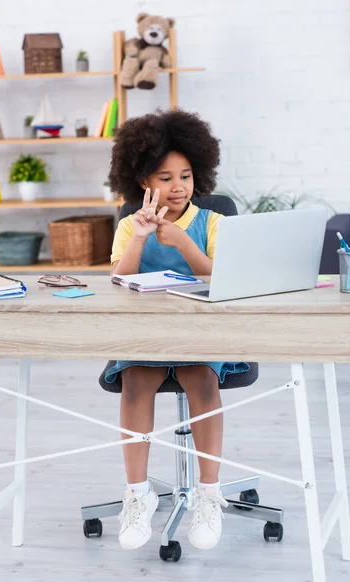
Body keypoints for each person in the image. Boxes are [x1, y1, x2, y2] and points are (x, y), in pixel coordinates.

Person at [105, 108, 249, 551]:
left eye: (185, 175)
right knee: (134, 382)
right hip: (147, 335)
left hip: (201, 336)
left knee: (202, 381)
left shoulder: (212, 222)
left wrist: (184, 241)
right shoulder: (130, 223)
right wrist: (142, 238)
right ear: (142, 183)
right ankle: (138, 493)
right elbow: (118, 277)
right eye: (165, 177)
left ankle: (209, 491)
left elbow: (219, 277)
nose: (177, 186)